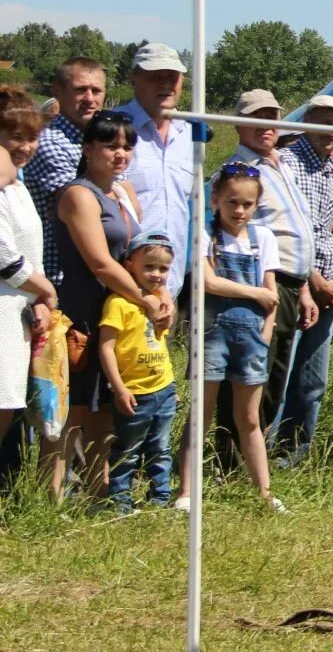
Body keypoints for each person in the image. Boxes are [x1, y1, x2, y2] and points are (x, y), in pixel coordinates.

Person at [52, 110, 167, 502]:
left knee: (106, 411)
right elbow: (99, 262)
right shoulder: (78, 195)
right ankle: (51, 496)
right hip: (84, 312)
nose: (120, 154)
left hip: (119, 315)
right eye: (110, 145)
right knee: (75, 411)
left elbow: (141, 252)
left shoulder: (124, 193)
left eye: (127, 146)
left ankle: (100, 494)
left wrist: (161, 292)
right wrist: (146, 300)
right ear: (88, 148)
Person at [222, 91, 321, 448]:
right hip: (265, 282)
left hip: (293, 284)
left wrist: (306, 288)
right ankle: (229, 460)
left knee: (276, 377)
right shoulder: (238, 172)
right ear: (239, 124)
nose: (266, 125)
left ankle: (253, 457)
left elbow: (298, 229)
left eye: (272, 116)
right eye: (257, 117)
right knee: (252, 374)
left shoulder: (281, 164)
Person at [183, 163, 282, 511]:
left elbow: (273, 294)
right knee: (202, 413)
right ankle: (186, 491)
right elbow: (209, 282)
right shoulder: (205, 235)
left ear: (256, 205)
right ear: (216, 200)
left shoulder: (263, 238)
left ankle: (265, 492)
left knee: (250, 418)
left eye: (247, 204)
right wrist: (254, 294)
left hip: (251, 338)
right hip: (213, 333)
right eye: (232, 203)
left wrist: (266, 333)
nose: (239, 211)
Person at [273, 94, 333, 466]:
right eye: (325, 123)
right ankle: (261, 454)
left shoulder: (331, 168)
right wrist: (316, 282)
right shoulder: (287, 163)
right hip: (293, 283)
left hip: (324, 282)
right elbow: (288, 234)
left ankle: (294, 457)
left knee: (313, 380)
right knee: (280, 375)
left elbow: (323, 232)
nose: (331, 133)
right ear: (308, 121)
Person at [98, 231, 178, 513]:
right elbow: (106, 348)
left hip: (163, 388)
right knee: (128, 450)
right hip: (134, 391)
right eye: (149, 266)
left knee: (161, 448)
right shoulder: (119, 303)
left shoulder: (161, 303)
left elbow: (162, 340)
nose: (156, 274)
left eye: (163, 269)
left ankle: (160, 497)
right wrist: (119, 388)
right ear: (130, 264)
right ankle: (120, 501)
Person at [0, 88, 57, 461]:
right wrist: (46, 291)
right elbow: (4, 255)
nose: (25, 146)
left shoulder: (18, 186)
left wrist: (38, 298)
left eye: (32, 137)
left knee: (7, 407)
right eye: (15, 136)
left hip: (16, 313)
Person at [115, 43, 195, 298]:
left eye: (172, 77)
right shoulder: (115, 127)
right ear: (134, 79)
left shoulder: (190, 133)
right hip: (123, 284)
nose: (165, 84)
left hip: (171, 282)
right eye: (155, 76)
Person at [21, 56, 106, 284]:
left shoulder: (102, 141)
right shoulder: (48, 142)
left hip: (94, 276)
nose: (90, 99)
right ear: (58, 91)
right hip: (60, 277)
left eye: (96, 90)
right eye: (81, 90)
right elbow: (86, 206)